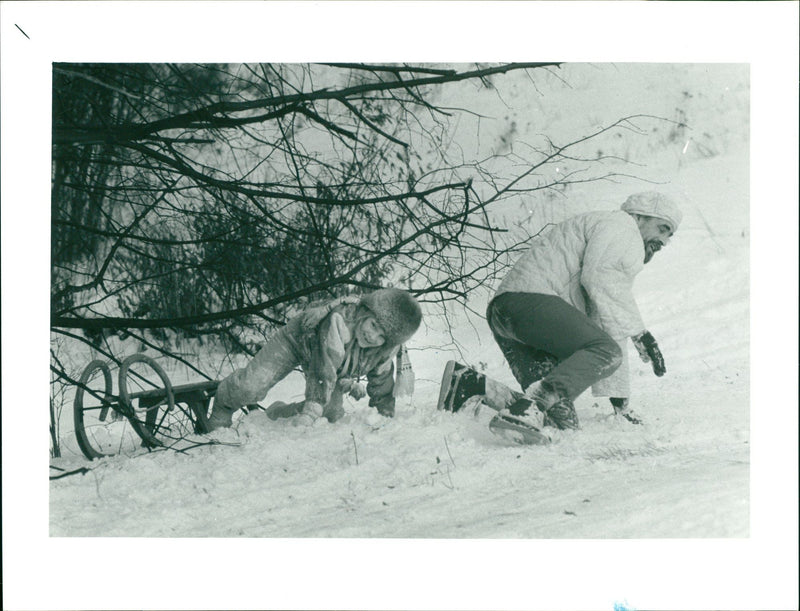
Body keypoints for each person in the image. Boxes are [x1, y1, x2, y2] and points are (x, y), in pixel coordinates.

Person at [446, 191, 681, 438]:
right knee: (605, 353)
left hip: (506, 313)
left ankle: (470, 385)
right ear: (640, 217)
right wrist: (640, 333)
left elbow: (606, 319)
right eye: (662, 228)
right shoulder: (623, 226)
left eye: (670, 235)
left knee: (557, 423)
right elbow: (601, 279)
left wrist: (620, 405)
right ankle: (529, 407)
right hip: (531, 304)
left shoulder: (609, 233)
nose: (664, 241)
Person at [206, 288, 422, 431]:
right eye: (374, 325)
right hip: (298, 340)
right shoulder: (340, 321)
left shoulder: (382, 351)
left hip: (334, 365)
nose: (373, 337)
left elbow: (382, 384)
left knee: (330, 413)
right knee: (251, 386)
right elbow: (323, 368)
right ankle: (223, 405)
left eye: (382, 336)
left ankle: (278, 413)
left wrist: (383, 417)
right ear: (365, 312)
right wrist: (311, 411)